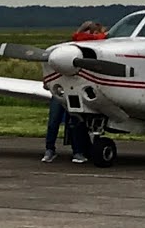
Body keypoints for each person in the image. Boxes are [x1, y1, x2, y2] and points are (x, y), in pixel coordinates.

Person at [43, 20, 106, 164]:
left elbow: (93, 38)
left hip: (80, 91)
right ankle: (50, 150)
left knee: (76, 122)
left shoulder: (101, 41)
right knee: (54, 121)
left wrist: (89, 30)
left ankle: (78, 152)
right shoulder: (82, 42)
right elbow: (77, 37)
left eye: (95, 31)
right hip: (62, 90)